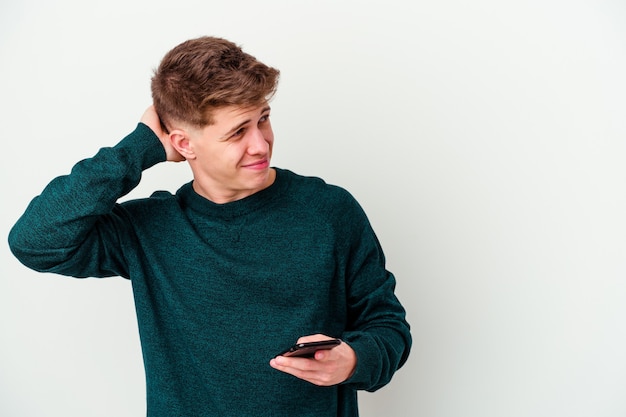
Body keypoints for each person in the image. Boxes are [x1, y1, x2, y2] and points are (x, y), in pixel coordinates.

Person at [8, 36, 411, 417]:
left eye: (263, 119)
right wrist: (139, 147)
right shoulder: (149, 229)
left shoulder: (329, 211)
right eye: (238, 132)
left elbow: (388, 326)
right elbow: (35, 240)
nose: (261, 144)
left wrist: (355, 360)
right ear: (184, 144)